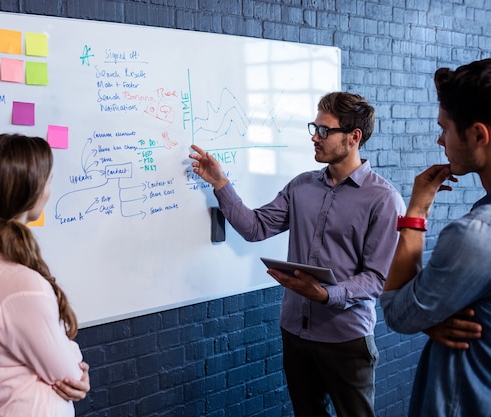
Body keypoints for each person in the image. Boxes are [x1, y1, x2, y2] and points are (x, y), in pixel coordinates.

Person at [189, 92, 406, 417]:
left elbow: (377, 278)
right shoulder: (301, 186)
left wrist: (325, 295)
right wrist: (220, 183)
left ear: (353, 137)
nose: (314, 137)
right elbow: (255, 227)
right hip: (296, 332)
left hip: (346, 338)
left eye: (323, 130)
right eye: (313, 127)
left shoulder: (383, 199)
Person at [0, 134, 90, 416]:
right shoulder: (22, 284)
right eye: (47, 182)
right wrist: (77, 363)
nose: (49, 190)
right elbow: (69, 373)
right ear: (30, 193)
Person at [380, 59, 491, 416]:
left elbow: (398, 312)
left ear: (478, 135)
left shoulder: (475, 236)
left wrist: (416, 211)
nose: (439, 139)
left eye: (445, 128)